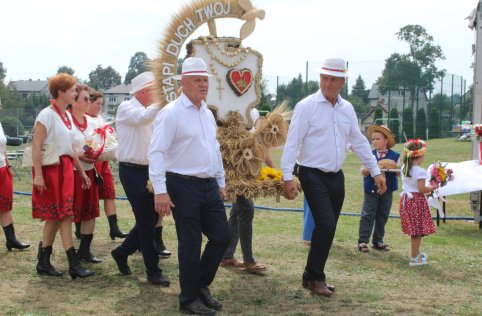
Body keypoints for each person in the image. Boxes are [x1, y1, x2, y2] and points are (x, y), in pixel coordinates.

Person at [280, 58, 387, 297]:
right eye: (324, 78)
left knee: (329, 227)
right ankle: (317, 278)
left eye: (333, 79)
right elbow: (292, 142)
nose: (328, 83)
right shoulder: (306, 106)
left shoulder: (346, 108)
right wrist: (287, 177)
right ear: (320, 78)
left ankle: (309, 275)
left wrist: (377, 171)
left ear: (342, 81)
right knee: (326, 225)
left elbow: (358, 142)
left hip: (336, 176)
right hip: (310, 172)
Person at [149, 57, 230, 315]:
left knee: (221, 237)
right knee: (190, 243)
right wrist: (160, 191)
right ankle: (188, 299)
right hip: (181, 185)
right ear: (183, 83)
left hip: (208, 185)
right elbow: (157, 152)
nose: (203, 84)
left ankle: (201, 285)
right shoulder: (171, 113)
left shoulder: (207, 113)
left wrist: (220, 181)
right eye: (197, 80)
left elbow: (214, 150)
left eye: (205, 80)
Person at [32, 73, 94, 279]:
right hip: (52, 170)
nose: (76, 93)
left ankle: (43, 261)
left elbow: (70, 149)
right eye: (73, 90)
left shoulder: (66, 115)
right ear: (61, 92)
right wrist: (38, 175)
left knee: (56, 217)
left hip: (66, 168)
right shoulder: (46, 115)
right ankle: (73, 264)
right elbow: (36, 146)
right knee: (63, 216)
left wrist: (82, 172)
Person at [110, 71, 169, 286]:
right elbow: (142, 118)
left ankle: (122, 251)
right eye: (154, 90)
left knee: (151, 218)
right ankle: (152, 270)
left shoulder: (151, 112)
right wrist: (165, 100)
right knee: (146, 221)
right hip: (132, 171)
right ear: (144, 92)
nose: (156, 95)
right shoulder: (127, 107)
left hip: (150, 170)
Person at [220, 107, 269, 273]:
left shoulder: (252, 111)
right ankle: (249, 260)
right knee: (246, 208)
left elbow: (257, 145)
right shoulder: (225, 109)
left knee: (237, 211)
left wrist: (272, 169)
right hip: (231, 171)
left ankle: (227, 255)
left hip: (243, 170)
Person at [86, 90, 128, 241]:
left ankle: (114, 228)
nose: (100, 107)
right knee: (90, 197)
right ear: (88, 103)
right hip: (90, 162)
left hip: (103, 162)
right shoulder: (83, 119)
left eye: (101, 104)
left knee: (109, 193)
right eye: (97, 104)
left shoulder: (100, 119)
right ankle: (80, 228)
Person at [70, 84, 101, 263]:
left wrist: (95, 150)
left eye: (90, 99)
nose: (89, 102)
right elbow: (66, 148)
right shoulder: (67, 120)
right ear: (74, 101)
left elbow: (92, 142)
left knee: (90, 212)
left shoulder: (91, 122)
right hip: (73, 172)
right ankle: (54, 250)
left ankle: (84, 250)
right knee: (71, 213)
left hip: (89, 170)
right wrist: (81, 154)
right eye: (86, 99)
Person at [357, 124, 400, 253]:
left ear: (386, 141)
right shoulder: (369, 155)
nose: (374, 141)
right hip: (371, 188)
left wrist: (393, 168)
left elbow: (399, 172)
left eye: (378, 139)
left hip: (388, 190)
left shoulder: (395, 156)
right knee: (368, 214)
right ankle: (363, 241)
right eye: (373, 139)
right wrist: (370, 169)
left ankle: (378, 241)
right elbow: (363, 170)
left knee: (383, 215)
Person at [399, 138, 436, 266]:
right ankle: (414, 258)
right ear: (419, 156)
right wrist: (433, 187)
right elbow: (421, 189)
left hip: (407, 201)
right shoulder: (420, 171)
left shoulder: (405, 167)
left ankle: (416, 253)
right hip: (416, 201)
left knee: (415, 230)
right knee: (417, 231)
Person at [0, 108, 30, 251]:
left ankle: (11, 240)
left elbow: (2, 147)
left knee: (5, 205)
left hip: (2, 168)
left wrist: (8, 165)